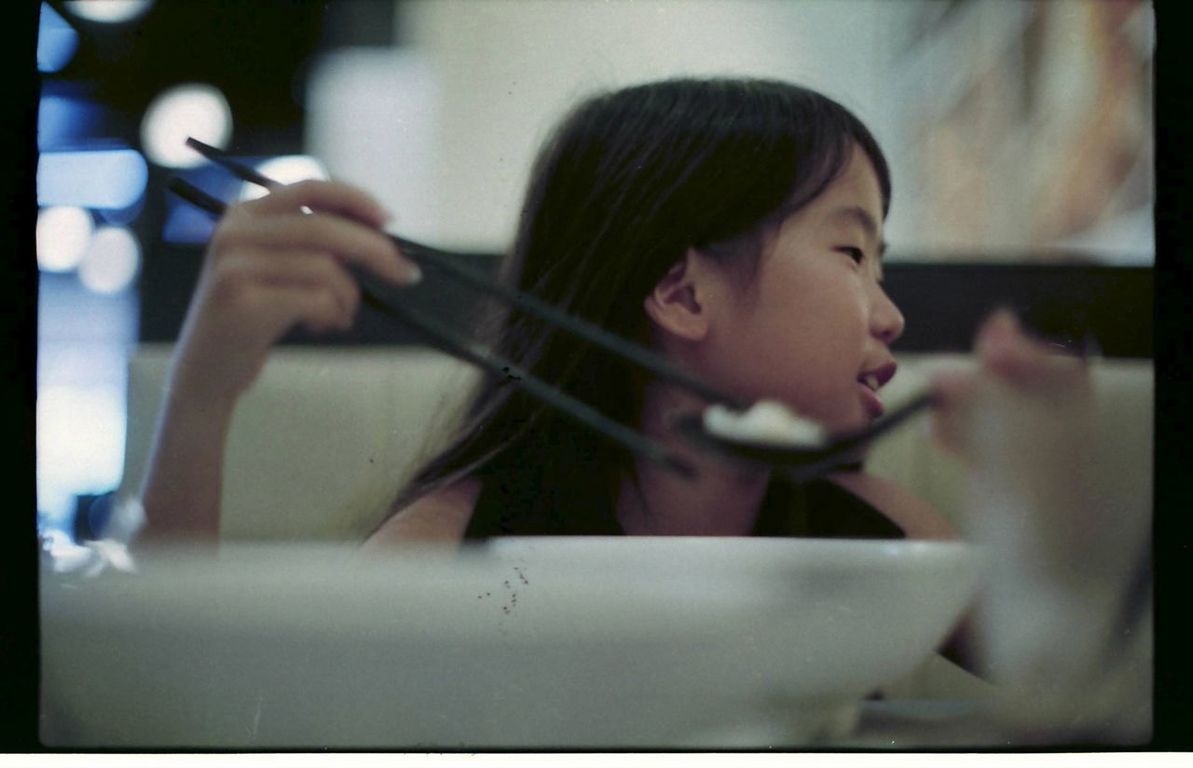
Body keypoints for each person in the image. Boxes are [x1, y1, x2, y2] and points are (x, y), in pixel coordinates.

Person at [138, 77, 1082, 553]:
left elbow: (1107, 691)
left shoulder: (870, 531)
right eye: (850, 252)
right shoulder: (466, 537)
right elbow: (219, 718)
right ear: (680, 293)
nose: (890, 316)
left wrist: (1059, 482)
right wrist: (203, 396)